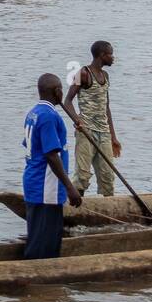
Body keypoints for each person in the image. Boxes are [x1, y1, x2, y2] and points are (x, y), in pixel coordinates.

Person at [22, 73, 82, 259]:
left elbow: (32, 146)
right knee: (46, 243)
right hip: (46, 187)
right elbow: (51, 155)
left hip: (33, 182)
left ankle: (35, 268)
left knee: (38, 236)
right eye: (61, 90)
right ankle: (38, 273)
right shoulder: (49, 116)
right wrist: (70, 187)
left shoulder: (34, 113)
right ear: (57, 92)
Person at [62, 40, 121, 198]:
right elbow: (67, 101)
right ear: (102, 55)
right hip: (86, 131)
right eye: (110, 54)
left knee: (107, 177)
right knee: (82, 175)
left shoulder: (106, 76)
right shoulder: (82, 73)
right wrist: (77, 120)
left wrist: (113, 137)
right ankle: (76, 205)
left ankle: (108, 206)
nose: (113, 58)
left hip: (104, 133)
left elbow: (106, 107)